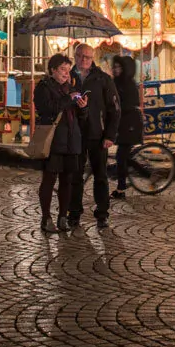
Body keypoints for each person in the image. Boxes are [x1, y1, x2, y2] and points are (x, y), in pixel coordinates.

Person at [68, 43, 119, 230]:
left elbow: (114, 109)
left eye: (87, 57)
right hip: (75, 134)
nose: (84, 60)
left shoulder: (103, 79)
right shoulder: (68, 78)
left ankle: (102, 213)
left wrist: (110, 135)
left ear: (93, 58)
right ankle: (74, 212)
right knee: (75, 176)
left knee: (100, 176)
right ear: (75, 56)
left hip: (97, 134)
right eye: (80, 56)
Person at [34, 54, 85, 232]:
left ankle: (63, 216)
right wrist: (68, 99)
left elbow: (77, 116)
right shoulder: (43, 87)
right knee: (49, 179)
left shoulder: (69, 88)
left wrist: (82, 107)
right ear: (53, 70)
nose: (66, 73)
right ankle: (46, 218)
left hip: (71, 139)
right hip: (53, 139)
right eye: (63, 69)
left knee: (67, 179)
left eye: (68, 70)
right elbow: (47, 108)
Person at [110, 55, 143, 199]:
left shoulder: (128, 84)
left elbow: (127, 105)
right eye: (115, 66)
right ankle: (146, 173)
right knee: (124, 157)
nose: (116, 69)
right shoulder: (116, 82)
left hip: (130, 124)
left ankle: (121, 188)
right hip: (123, 123)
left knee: (121, 156)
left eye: (119, 67)